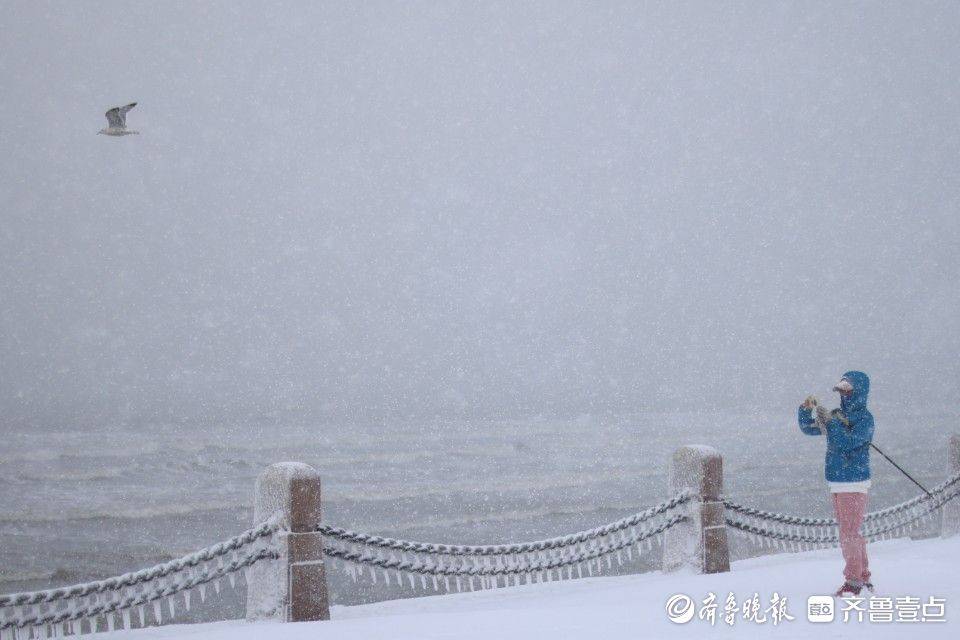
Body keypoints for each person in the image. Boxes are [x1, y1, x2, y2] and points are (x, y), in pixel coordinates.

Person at [798, 370, 875, 596]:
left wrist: (832, 423)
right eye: (842, 390)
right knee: (852, 532)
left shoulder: (865, 418)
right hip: (837, 481)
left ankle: (853, 583)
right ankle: (863, 577)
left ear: (858, 391)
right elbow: (809, 429)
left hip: (854, 481)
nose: (844, 394)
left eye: (848, 390)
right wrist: (806, 410)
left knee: (849, 534)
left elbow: (846, 442)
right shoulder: (837, 415)